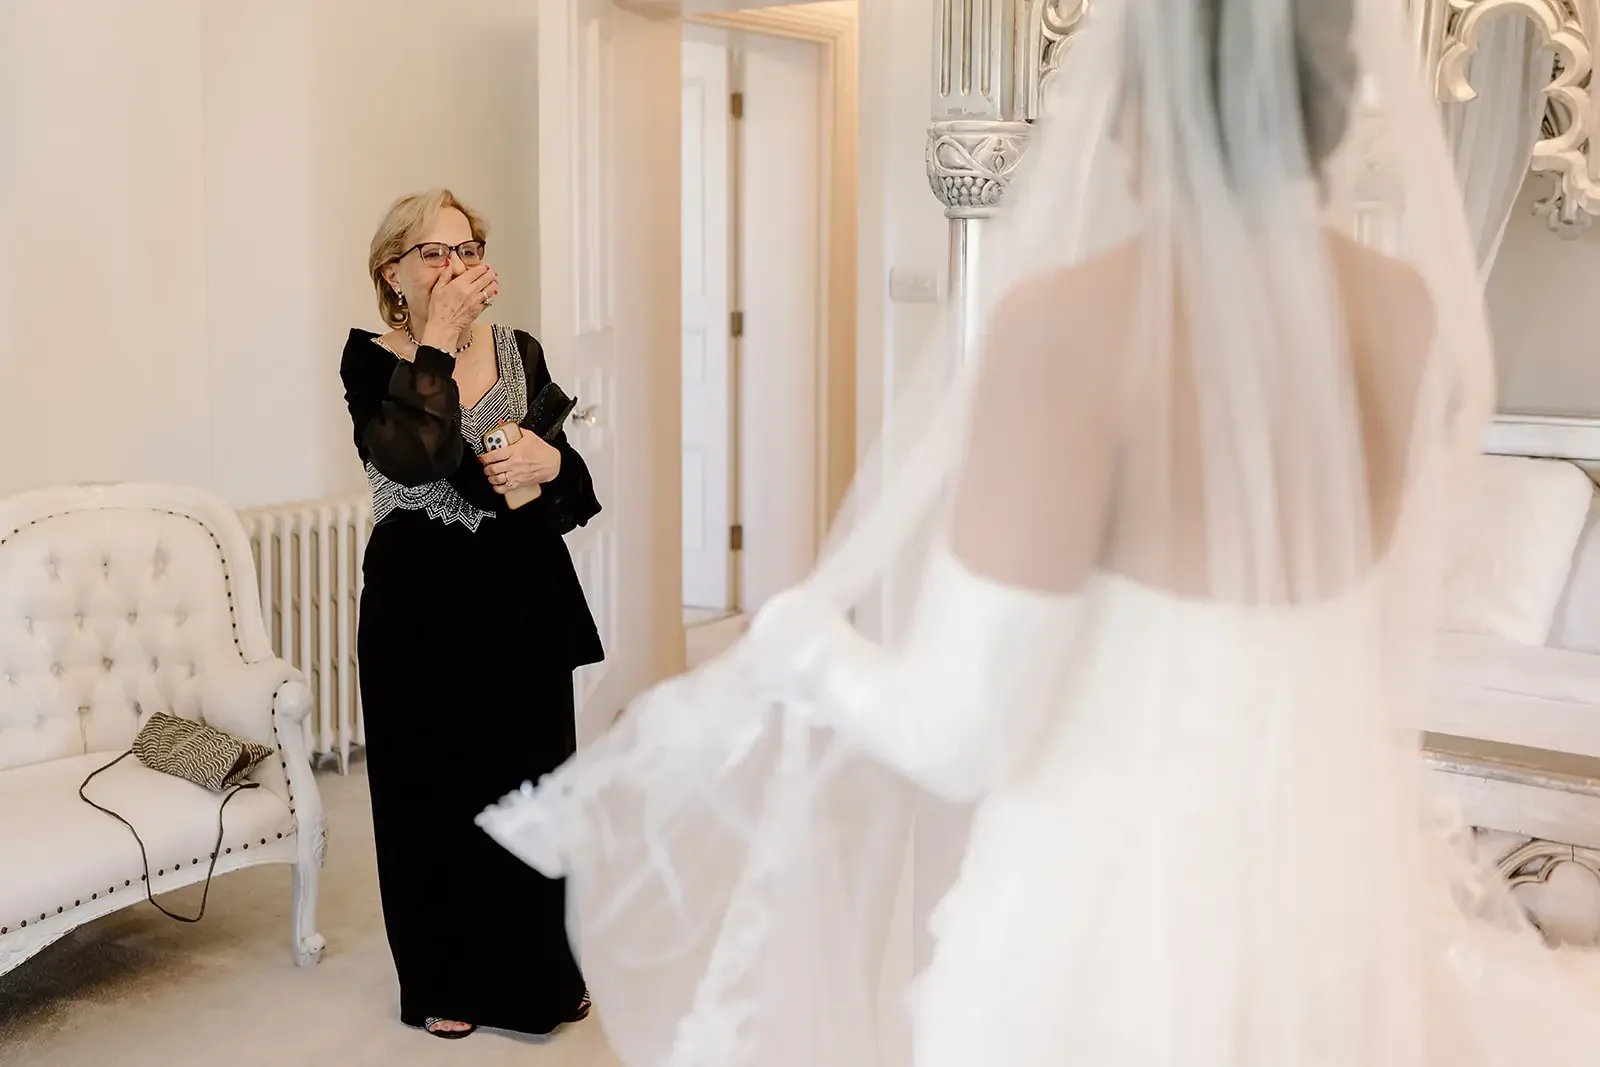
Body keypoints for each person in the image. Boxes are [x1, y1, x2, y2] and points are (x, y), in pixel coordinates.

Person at [480, 2, 1600, 1065]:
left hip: (1113, 917)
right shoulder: (1403, 309)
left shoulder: (1072, 324)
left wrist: (793, 636)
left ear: (1137, 89)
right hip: (1324, 897)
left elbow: (956, 732)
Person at [341, 189, 602, 1041]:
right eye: (433, 253)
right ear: (394, 273)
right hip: (419, 601)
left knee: (534, 781)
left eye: (468, 249)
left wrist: (549, 459)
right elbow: (417, 457)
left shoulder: (520, 350)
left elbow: (566, 482)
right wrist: (440, 340)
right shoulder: (371, 361)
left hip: (520, 589)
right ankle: (441, 977)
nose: (455, 266)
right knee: (430, 792)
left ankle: (541, 973)